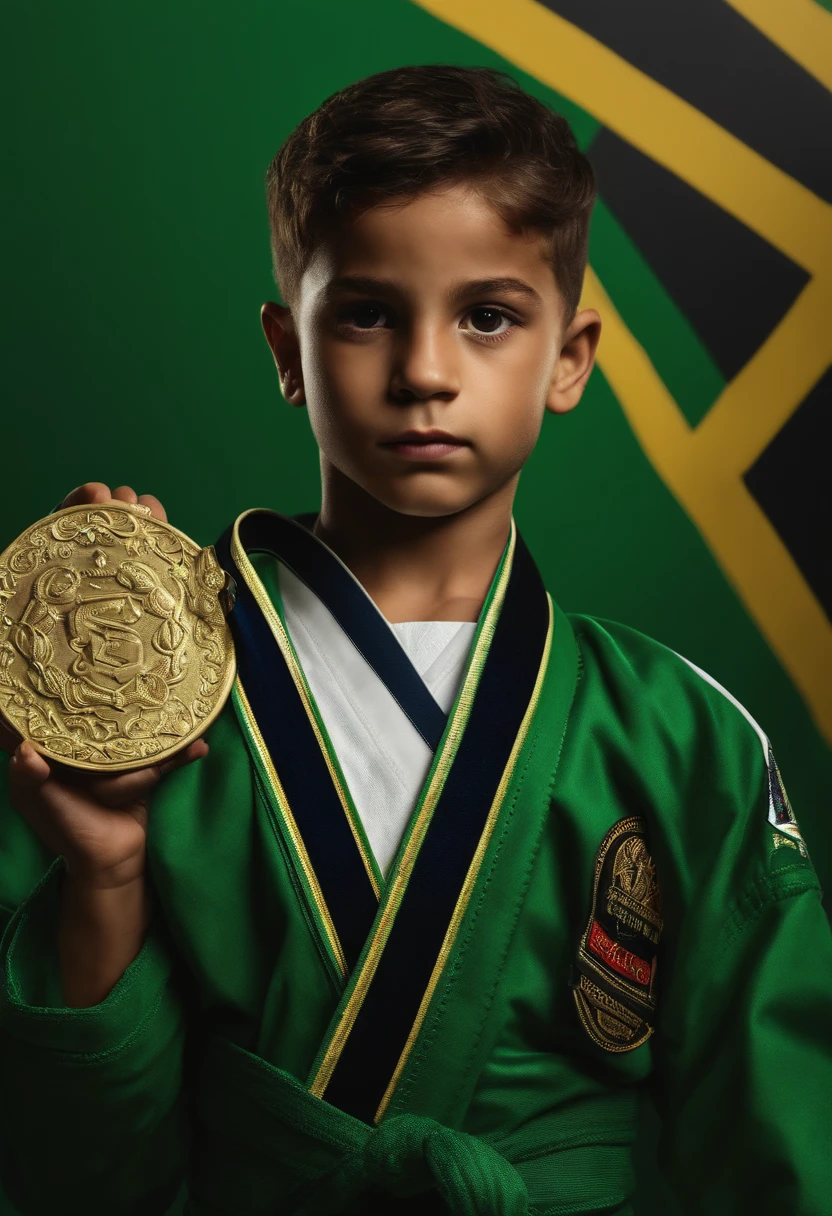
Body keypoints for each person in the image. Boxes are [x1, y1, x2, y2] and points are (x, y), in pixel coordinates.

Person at [0, 64, 830, 1216]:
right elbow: (78, 1173)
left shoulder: (683, 732)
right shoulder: (154, 712)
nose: (425, 373)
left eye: (487, 316)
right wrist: (106, 865)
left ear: (572, 356)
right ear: (288, 349)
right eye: (367, 313)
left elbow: (781, 1147)